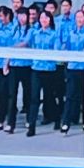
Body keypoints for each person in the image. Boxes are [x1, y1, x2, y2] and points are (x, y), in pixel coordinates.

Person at [28, 9, 59, 137]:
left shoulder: (54, 34)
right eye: (41, 18)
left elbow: (56, 50)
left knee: (49, 97)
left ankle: (57, 119)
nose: (43, 20)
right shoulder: (35, 33)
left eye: (46, 18)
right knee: (34, 98)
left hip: (49, 69)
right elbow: (29, 45)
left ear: (50, 20)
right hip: (36, 68)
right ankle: (31, 126)